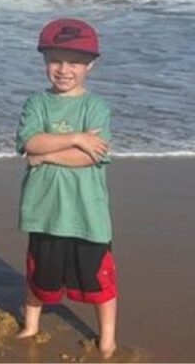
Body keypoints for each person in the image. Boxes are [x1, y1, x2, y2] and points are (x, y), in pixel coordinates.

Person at [15, 18, 117, 358]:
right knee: (39, 276)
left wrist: (44, 157)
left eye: (74, 61)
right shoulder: (36, 104)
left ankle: (107, 340)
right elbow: (30, 142)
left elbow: (91, 157)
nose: (64, 69)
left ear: (91, 65)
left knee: (98, 280)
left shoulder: (96, 107)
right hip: (44, 212)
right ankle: (30, 325)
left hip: (87, 214)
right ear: (45, 61)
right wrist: (75, 138)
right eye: (55, 60)